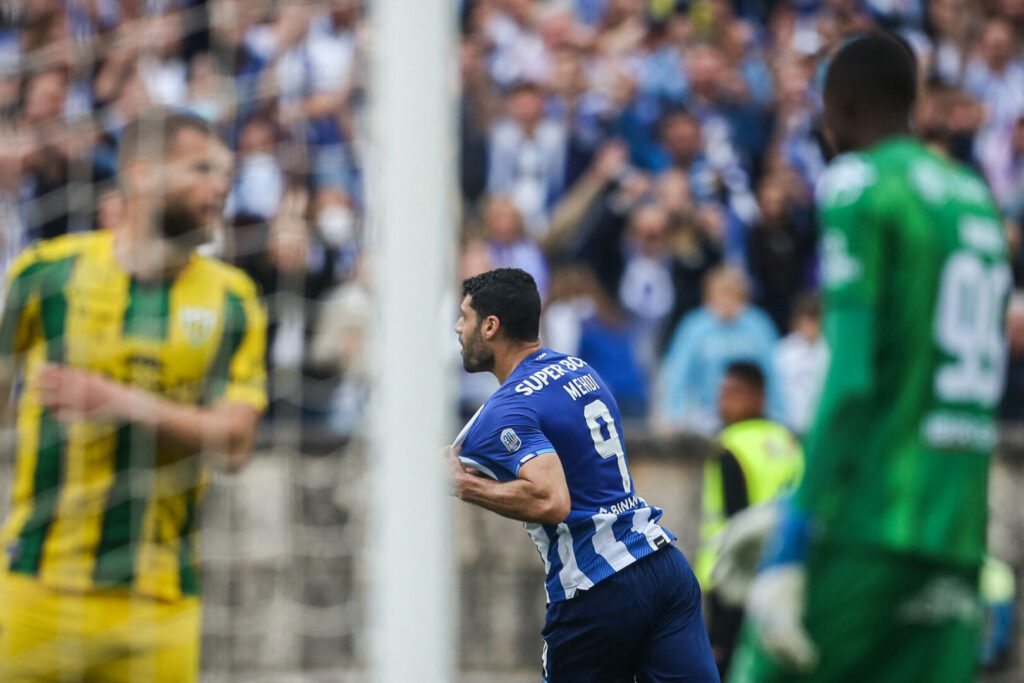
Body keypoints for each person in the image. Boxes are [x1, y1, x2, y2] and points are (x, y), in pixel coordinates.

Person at [726, 34, 1011, 683]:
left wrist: (796, 531)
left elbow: (849, 381)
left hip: (869, 526)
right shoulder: (973, 197)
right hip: (956, 536)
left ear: (841, 105)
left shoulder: (859, 184)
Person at [0, 109, 268, 682]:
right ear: (143, 175)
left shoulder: (234, 300)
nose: (221, 186)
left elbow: (236, 443)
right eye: (202, 169)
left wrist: (121, 402)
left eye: (227, 172)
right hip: (36, 587)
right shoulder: (46, 274)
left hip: (162, 603)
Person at [450, 268, 719, 683]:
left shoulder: (501, 412)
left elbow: (551, 501)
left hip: (598, 590)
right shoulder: (578, 370)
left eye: (464, 317)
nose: (457, 327)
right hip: (663, 565)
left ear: (490, 327)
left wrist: (465, 485)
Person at [695, 362, 803, 677]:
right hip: (780, 569)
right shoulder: (788, 442)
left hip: (730, 572)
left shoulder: (730, 447)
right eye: (723, 393)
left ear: (759, 397)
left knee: (724, 666)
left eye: (734, 393)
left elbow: (736, 517)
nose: (724, 402)